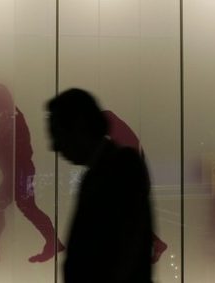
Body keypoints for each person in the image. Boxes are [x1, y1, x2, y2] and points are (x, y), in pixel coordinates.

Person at [47, 89, 153, 282]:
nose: (54, 146)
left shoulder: (123, 166)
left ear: (79, 127)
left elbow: (126, 247)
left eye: (58, 133)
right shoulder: (99, 172)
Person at [0, 82, 64, 263]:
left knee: (14, 207)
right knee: (20, 208)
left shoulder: (8, 116)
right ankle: (52, 242)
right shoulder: (4, 115)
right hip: (17, 171)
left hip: (19, 171)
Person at [103, 110, 167, 263]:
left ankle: (154, 244)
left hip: (132, 182)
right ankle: (154, 243)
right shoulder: (122, 135)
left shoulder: (118, 137)